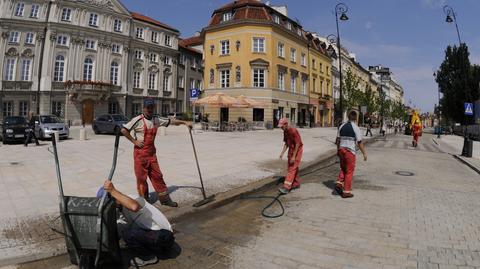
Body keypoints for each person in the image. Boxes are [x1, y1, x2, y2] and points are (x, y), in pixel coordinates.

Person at [121, 99, 192, 207]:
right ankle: (144, 202)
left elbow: (171, 121)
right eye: (147, 107)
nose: (149, 109)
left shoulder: (156, 119)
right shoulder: (138, 119)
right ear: (143, 108)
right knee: (141, 178)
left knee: (157, 176)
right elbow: (124, 130)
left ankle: (165, 199)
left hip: (151, 154)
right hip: (140, 154)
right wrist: (134, 141)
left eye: (151, 107)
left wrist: (184, 122)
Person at [100, 180, 175, 267]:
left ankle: (148, 257)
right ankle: (150, 249)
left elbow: (134, 206)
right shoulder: (120, 211)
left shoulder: (132, 199)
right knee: (121, 229)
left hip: (165, 238)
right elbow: (118, 227)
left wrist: (113, 191)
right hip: (156, 239)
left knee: (128, 234)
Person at [335, 111, 367, 198]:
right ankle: (346, 192)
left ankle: (339, 182)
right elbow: (359, 142)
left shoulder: (341, 126)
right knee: (349, 171)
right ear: (355, 118)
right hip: (349, 151)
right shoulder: (356, 128)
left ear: (348, 117)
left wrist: (338, 150)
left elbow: (337, 140)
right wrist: (364, 153)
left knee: (343, 168)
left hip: (341, 149)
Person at [278, 118, 303, 194]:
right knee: (291, 167)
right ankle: (296, 183)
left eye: (282, 126)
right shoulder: (285, 132)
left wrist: (294, 156)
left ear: (286, 124)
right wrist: (282, 153)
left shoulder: (293, 131)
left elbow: (298, 144)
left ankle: (286, 187)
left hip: (297, 150)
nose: (281, 128)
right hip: (291, 150)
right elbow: (286, 143)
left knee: (292, 168)